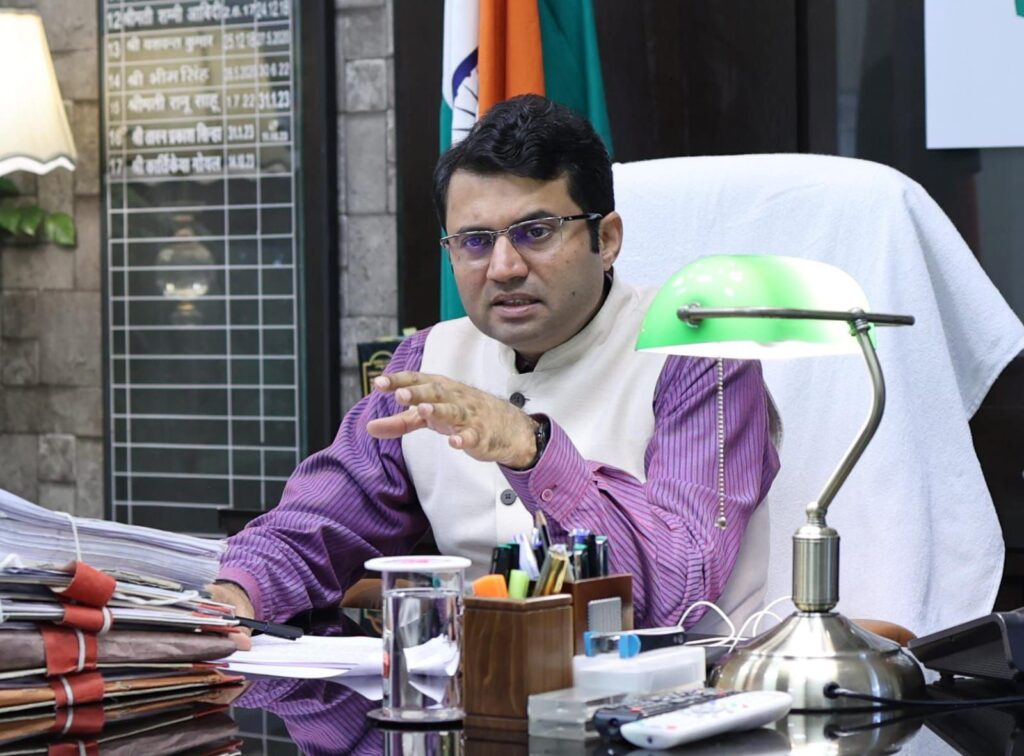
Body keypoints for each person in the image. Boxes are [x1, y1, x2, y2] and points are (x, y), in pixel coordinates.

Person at [212, 95, 780, 630]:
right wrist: (231, 599)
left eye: (536, 232)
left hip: (673, 688)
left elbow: (679, 590)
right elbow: (319, 528)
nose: (504, 267)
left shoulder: (699, 355)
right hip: (467, 682)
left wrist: (531, 447)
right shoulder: (430, 358)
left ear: (605, 240)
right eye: (476, 241)